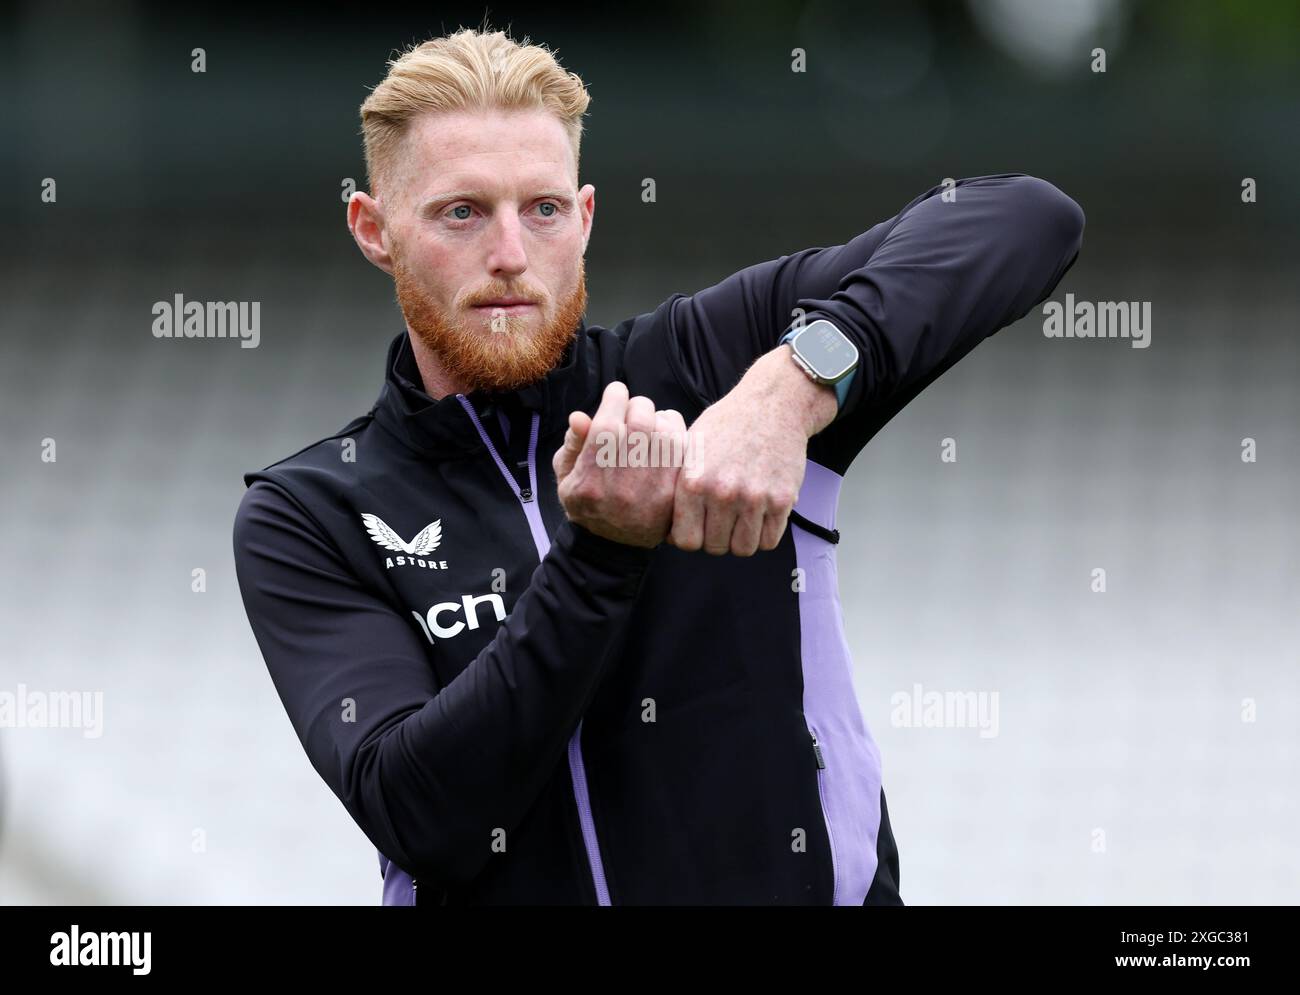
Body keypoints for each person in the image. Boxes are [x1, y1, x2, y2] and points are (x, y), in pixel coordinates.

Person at [232, 27, 1084, 905]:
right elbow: (426, 813)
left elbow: (1027, 216)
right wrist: (602, 553)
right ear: (375, 231)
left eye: (544, 209)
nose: (511, 255)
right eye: (462, 212)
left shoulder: (712, 358)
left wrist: (792, 386)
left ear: (587, 216)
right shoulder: (311, 510)